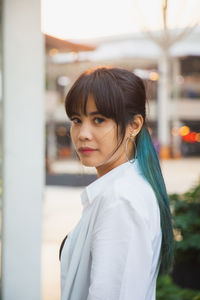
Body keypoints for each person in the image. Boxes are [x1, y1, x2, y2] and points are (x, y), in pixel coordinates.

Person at [60, 66, 174, 300]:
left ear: (134, 125)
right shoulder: (120, 190)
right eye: (76, 120)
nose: (83, 133)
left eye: (98, 120)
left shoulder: (122, 200)